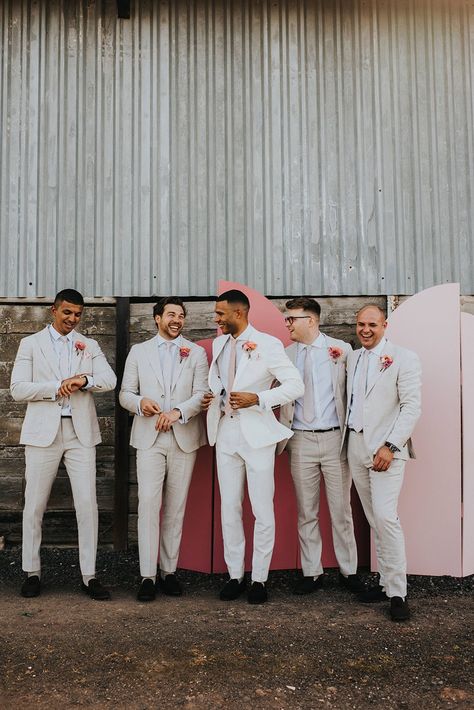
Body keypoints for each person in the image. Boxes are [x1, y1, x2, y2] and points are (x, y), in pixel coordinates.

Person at [10, 289, 117, 600]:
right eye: (67, 312)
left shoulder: (90, 345)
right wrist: (56, 387)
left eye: (78, 314)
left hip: (80, 433)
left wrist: (84, 380)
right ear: (53, 310)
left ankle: (89, 575)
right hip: (43, 433)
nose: (73, 319)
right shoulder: (30, 344)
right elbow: (18, 388)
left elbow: (108, 379)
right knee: (34, 505)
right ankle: (31, 571)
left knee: (87, 505)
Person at [203, 289, 304, 604]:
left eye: (220, 314)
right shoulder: (220, 344)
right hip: (225, 433)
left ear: (239, 313)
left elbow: (295, 386)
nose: (216, 320)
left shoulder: (269, 345)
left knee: (262, 508)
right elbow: (217, 381)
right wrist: (217, 395)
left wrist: (258, 398)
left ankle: (259, 578)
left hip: (257, 435)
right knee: (229, 507)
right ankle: (235, 575)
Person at [119, 297, 209, 602]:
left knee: (176, 506)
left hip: (183, 437)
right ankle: (147, 575)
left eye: (181, 316)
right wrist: (140, 404)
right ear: (157, 318)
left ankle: (168, 571)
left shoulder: (196, 353)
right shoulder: (138, 351)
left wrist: (178, 413)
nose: (177, 320)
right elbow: (125, 394)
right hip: (148, 438)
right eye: (171, 314)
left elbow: (201, 393)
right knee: (148, 503)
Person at [278, 297, 364, 595]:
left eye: (291, 319)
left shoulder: (341, 350)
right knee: (307, 510)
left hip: (335, 439)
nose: (287, 323)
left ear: (310, 320)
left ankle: (349, 571)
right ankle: (311, 572)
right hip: (299, 439)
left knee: (341, 510)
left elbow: (355, 393)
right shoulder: (284, 354)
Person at [343, 304, 422, 621]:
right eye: (360, 324)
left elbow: (411, 407)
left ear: (385, 325)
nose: (365, 330)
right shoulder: (353, 356)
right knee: (374, 518)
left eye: (372, 324)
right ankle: (385, 583)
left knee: (387, 518)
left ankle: (398, 593)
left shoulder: (404, 358)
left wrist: (391, 445)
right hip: (355, 446)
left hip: (385, 449)